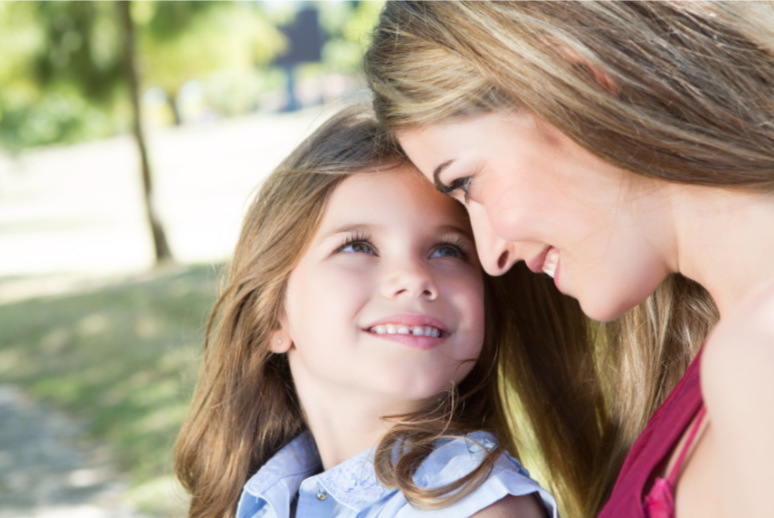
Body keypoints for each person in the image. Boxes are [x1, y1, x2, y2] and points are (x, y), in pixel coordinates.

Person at [363, 2, 774, 518]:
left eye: (467, 182)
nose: (491, 256)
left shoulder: (759, 350)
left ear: (574, 83)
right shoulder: (717, 357)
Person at [173, 106, 576, 518]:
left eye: (448, 250)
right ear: (274, 316)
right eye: (358, 247)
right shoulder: (268, 495)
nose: (414, 277)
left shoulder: (479, 506)